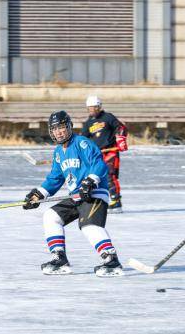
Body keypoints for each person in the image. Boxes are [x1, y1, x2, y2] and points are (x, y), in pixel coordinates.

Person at [23, 111, 123, 277]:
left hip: (94, 193)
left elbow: (99, 165)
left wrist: (90, 181)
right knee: (50, 216)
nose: (59, 132)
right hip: (76, 196)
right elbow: (55, 178)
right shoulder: (58, 153)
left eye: (62, 128)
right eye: (55, 129)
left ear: (69, 127)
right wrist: (38, 195)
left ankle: (111, 260)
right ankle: (59, 258)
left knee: (89, 226)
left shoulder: (82, 143)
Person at [81, 96, 128, 213]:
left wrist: (121, 139)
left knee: (110, 175)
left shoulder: (108, 117)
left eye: (93, 107)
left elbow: (121, 128)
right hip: (97, 154)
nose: (91, 110)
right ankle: (99, 199)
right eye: (89, 108)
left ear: (99, 107)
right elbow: (83, 139)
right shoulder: (88, 123)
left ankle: (115, 201)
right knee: (95, 177)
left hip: (110, 151)